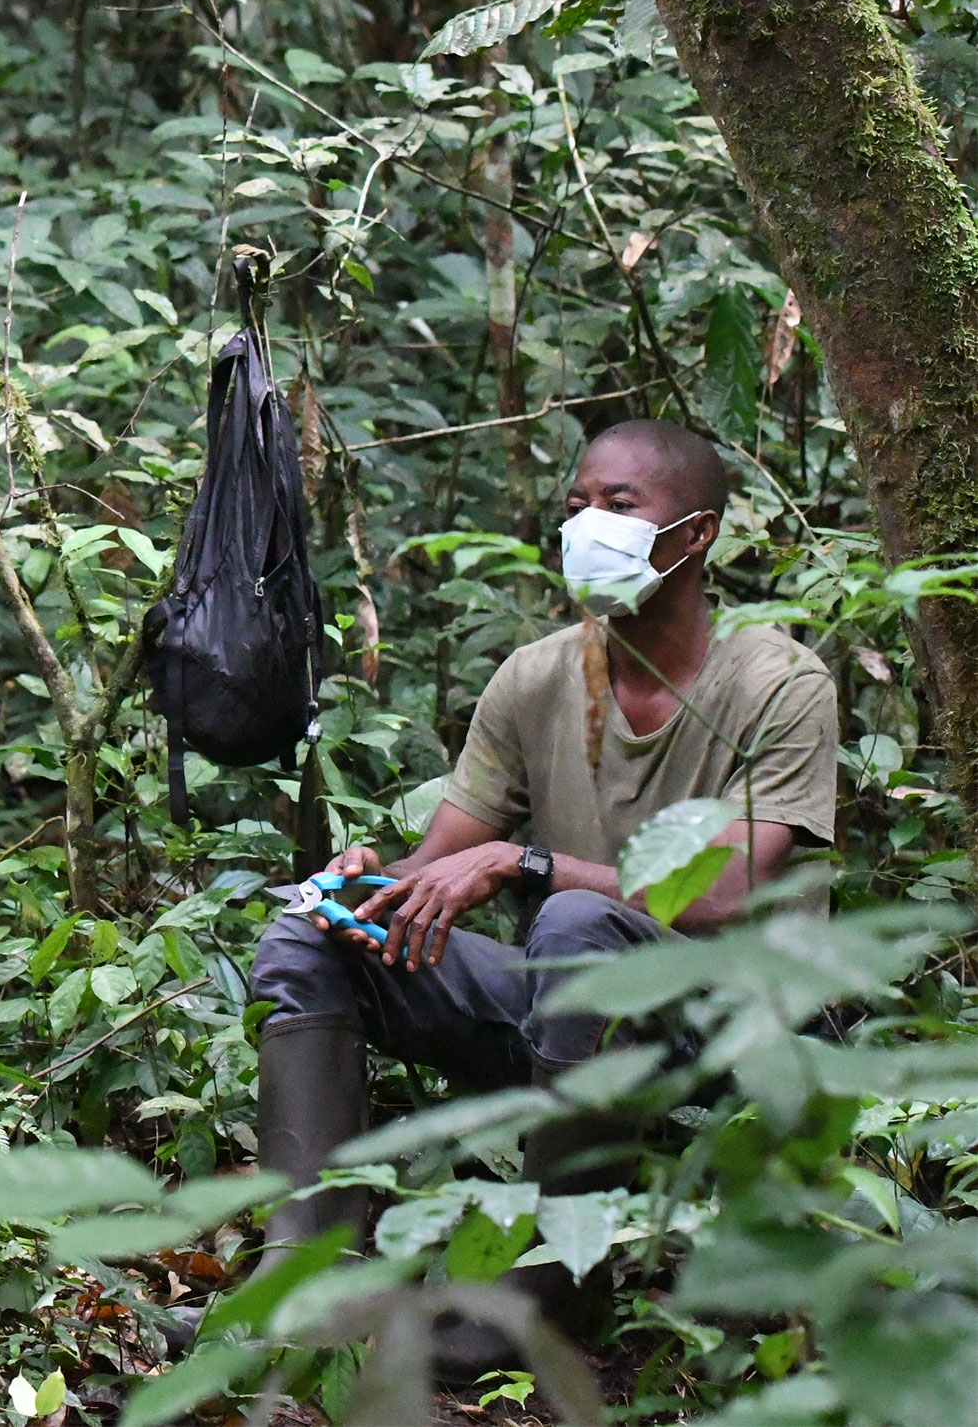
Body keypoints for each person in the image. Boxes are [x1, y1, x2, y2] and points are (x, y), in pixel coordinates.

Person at [240, 419, 838, 1357]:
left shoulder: (778, 681)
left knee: (572, 916)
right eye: (576, 506)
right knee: (313, 936)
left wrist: (527, 863)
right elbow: (442, 859)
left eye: (619, 506)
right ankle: (301, 1281)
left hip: (749, 1020)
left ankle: (553, 1287)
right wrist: (363, 883)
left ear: (696, 533)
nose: (586, 525)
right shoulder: (539, 676)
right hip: (577, 999)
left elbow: (724, 894)